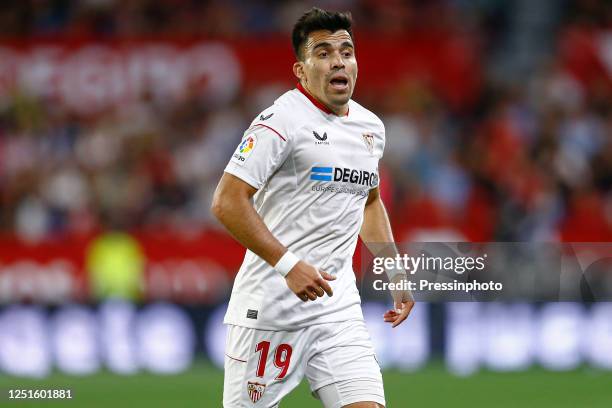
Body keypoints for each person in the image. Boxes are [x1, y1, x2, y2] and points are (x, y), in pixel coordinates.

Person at [212, 7, 414, 408]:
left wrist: (394, 269)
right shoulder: (279, 122)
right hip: (269, 313)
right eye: (323, 53)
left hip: (336, 309)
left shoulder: (370, 128)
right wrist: (289, 265)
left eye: (346, 51)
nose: (338, 60)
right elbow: (226, 201)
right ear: (301, 71)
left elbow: (369, 201)